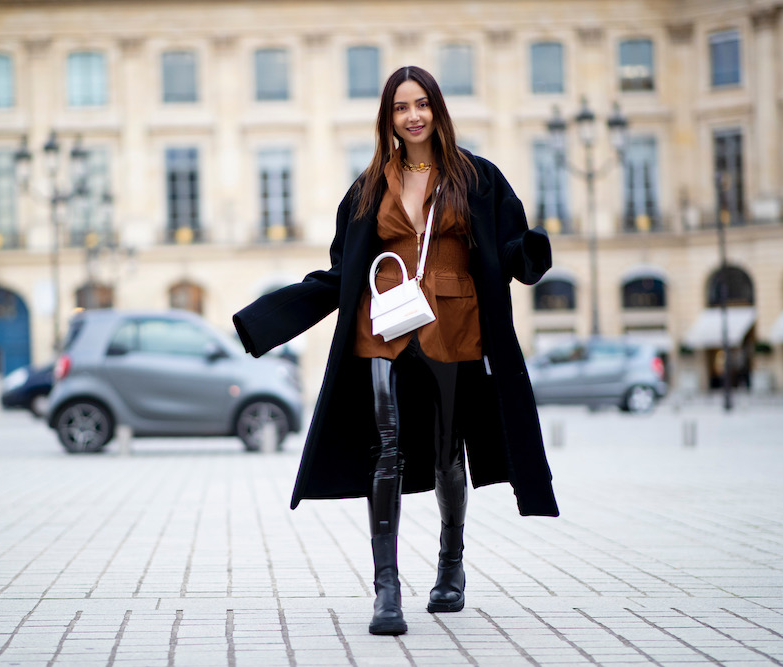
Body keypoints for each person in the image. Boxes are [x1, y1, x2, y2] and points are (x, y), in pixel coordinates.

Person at [233, 66, 558, 635]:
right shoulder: (367, 188)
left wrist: (528, 252)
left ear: (437, 110)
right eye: (401, 107)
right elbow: (345, 267)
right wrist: (272, 318)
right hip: (382, 324)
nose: (413, 116)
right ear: (387, 118)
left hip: (455, 324)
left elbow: (504, 247)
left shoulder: (478, 179)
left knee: (444, 452)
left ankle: (450, 564)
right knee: (384, 449)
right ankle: (386, 589)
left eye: (422, 104)